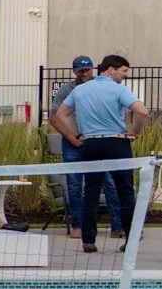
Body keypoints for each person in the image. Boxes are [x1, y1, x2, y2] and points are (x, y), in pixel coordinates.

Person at [53, 54, 149, 254]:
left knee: (91, 191)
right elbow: (143, 112)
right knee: (125, 191)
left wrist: (76, 133)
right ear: (111, 69)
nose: (124, 76)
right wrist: (136, 132)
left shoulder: (80, 90)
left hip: (91, 144)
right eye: (123, 71)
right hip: (117, 143)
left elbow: (61, 114)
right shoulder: (118, 89)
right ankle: (129, 237)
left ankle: (88, 239)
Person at [50, 55, 120, 241]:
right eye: (81, 70)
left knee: (109, 181)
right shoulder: (66, 91)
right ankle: (77, 224)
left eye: (87, 69)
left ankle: (118, 225)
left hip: (97, 140)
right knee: (74, 184)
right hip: (74, 142)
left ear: (93, 69)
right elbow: (55, 117)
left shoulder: (100, 88)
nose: (85, 73)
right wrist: (71, 138)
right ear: (74, 71)